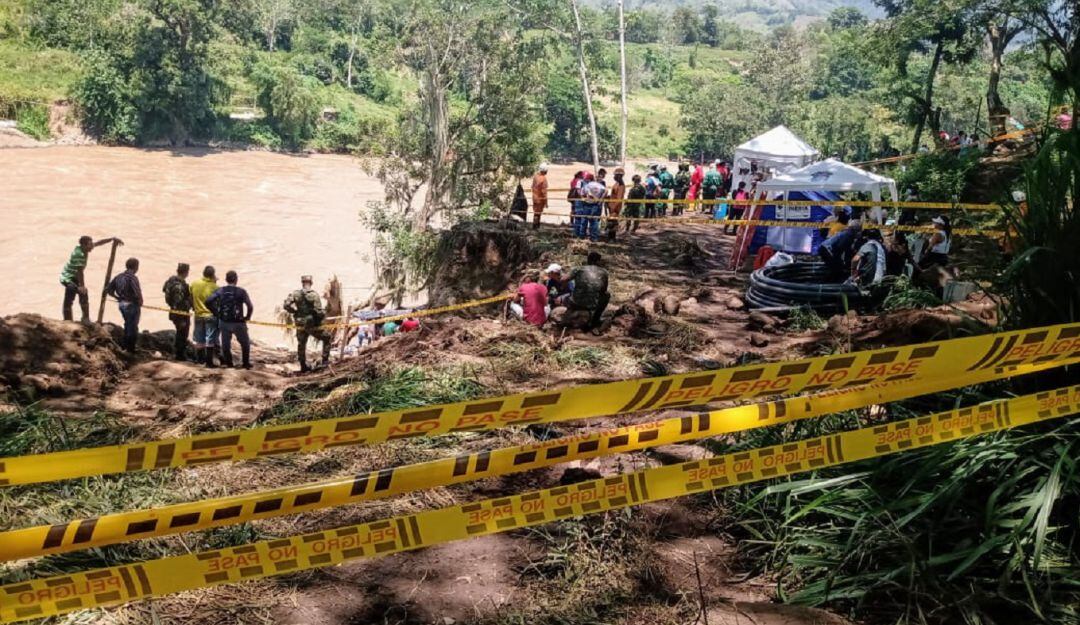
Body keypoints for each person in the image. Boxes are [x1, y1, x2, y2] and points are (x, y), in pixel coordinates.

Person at [60, 235, 123, 324]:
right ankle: (69, 319)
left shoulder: (85, 248)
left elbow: (99, 243)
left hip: (75, 276)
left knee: (81, 294)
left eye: (91, 244)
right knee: (75, 292)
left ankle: (84, 318)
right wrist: (82, 286)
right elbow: (80, 271)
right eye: (89, 245)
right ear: (83, 245)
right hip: (68, 277)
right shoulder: (79, 254)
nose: (92, 247)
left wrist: (111, 239)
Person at [284, 275, 332, 373]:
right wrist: (323, 314)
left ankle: (303, 366)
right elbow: (318, 312)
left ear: (302, 283)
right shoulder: (314, 295)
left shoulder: (295, 294)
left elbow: (286, 305)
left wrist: (295, 311)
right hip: (311, 325)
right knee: (327, 338)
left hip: (300, 324)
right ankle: (325, 361)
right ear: (311, 283)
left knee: (301, 344)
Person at [206, 270, 254, 369]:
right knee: (245, 343)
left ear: (226, 280)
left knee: (225, 345)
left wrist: (216, 313)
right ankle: (245, 363)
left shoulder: (221, 290)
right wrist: (247, 317)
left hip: (224, 322)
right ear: (236, 279)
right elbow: (250, 306)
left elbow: (208, 301)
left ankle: (229, 364)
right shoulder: (241, 291)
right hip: (238, 322)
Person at [105, 257, 143, 353]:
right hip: (132, 304)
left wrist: (117, 297)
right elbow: (137, 292)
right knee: (133, 326)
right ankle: (130, 348)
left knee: (127, 324)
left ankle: (125, 346)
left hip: (122, 304)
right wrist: (140, 301)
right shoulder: (133, 278)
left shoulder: (118, 277)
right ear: (135, 267)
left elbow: (108, 290)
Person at [567, 252, 610, 332]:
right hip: (592, 305)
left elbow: (563, 279)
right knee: (607, 295)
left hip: (576, 301)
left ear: (588, 260)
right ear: (598, 261)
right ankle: (595, 321)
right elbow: (603, 290)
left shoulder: (578, 269)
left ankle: (569, 312)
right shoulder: (604, 273)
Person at [190, 265, 220, 368]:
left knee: (199, 339)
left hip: (198, 315)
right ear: (212, 275)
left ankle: (199, 360)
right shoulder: (215, 287)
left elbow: (190, 297)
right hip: (210, 316)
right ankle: (209, 363)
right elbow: (218, 303)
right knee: (210, 339)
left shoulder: (194, 283)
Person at [162, 263, 193, 361]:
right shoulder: (179, 285)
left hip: (173, 311)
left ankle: (179, 353)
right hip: (180, 312)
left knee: (180, 332)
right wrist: (188, 303)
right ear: (186, 272)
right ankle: (180, 355)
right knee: (183, 333)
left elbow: (164, 289)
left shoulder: (170, 280)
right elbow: (179, 301)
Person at [577, 172, 605, 242]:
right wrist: (600, 200)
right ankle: (594, 237)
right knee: (594, 221)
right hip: (595, 205)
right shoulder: (599, 186)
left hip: (587, 204)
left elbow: (581, 193)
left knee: (584, 220)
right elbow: (606, 191)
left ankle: (582, 236)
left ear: (589, 179)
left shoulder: (587, 185)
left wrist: (584, 199)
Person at [606, 168, 626, 241]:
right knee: (611, 221)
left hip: (615, 207)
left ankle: (612, 238)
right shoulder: (617, 183)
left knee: (612, 222)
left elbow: (619, 199)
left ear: (619, 176)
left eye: (615, 175)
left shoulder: (621, 185)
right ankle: (610, 237)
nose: (614, 176)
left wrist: (613, 207)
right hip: (612, 205)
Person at [531, 164, 549, 229]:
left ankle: (535, 226)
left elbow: (532, 187)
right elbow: (544, 192)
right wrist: (546, 202)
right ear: (544, 171)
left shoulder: (535, 176)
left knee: (536, 212)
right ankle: (535, 227)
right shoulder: (543, 179)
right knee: (538, 213)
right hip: (540, 198)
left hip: (534, 197)